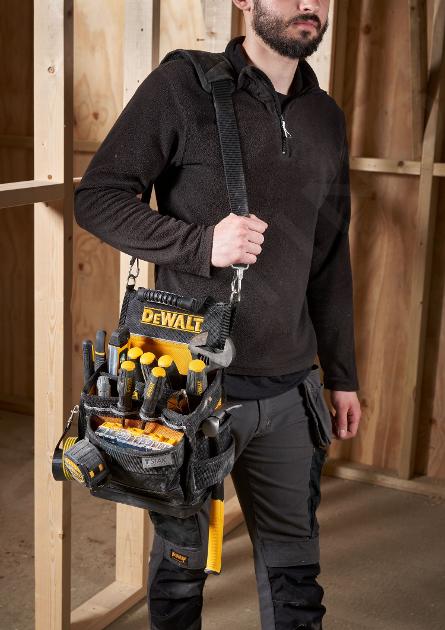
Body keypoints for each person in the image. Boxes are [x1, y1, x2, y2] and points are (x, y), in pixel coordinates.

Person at [74, 0, 362, 627]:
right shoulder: (183, 87)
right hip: (188, 391)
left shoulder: (325, 117)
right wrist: (200, 244)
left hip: (289, 389)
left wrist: (341, 374)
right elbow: (97, 198)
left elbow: (330, 258)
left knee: (296, 575)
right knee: (182, 570)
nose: (309, 4)